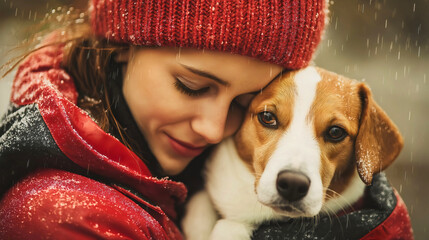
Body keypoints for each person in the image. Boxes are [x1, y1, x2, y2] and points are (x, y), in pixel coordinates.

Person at [0, 0, 412, 239]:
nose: (215, 129)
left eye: (243, 105)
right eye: (192, 86)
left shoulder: (198, 174)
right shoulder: (61, 216)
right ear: (123, 45)